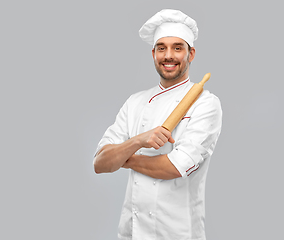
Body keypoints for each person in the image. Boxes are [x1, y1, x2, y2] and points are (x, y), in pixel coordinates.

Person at [93, 9, 222, 240]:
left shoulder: (206, 104)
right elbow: (100, 163)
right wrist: (138, 140)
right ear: (153, 54)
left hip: (178, 233)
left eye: (177, 47)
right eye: (161, 48)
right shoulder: (135, 102)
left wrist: (122, 158)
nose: (168, 55)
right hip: (132, 232)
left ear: (191, 54)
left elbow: (174, 167)